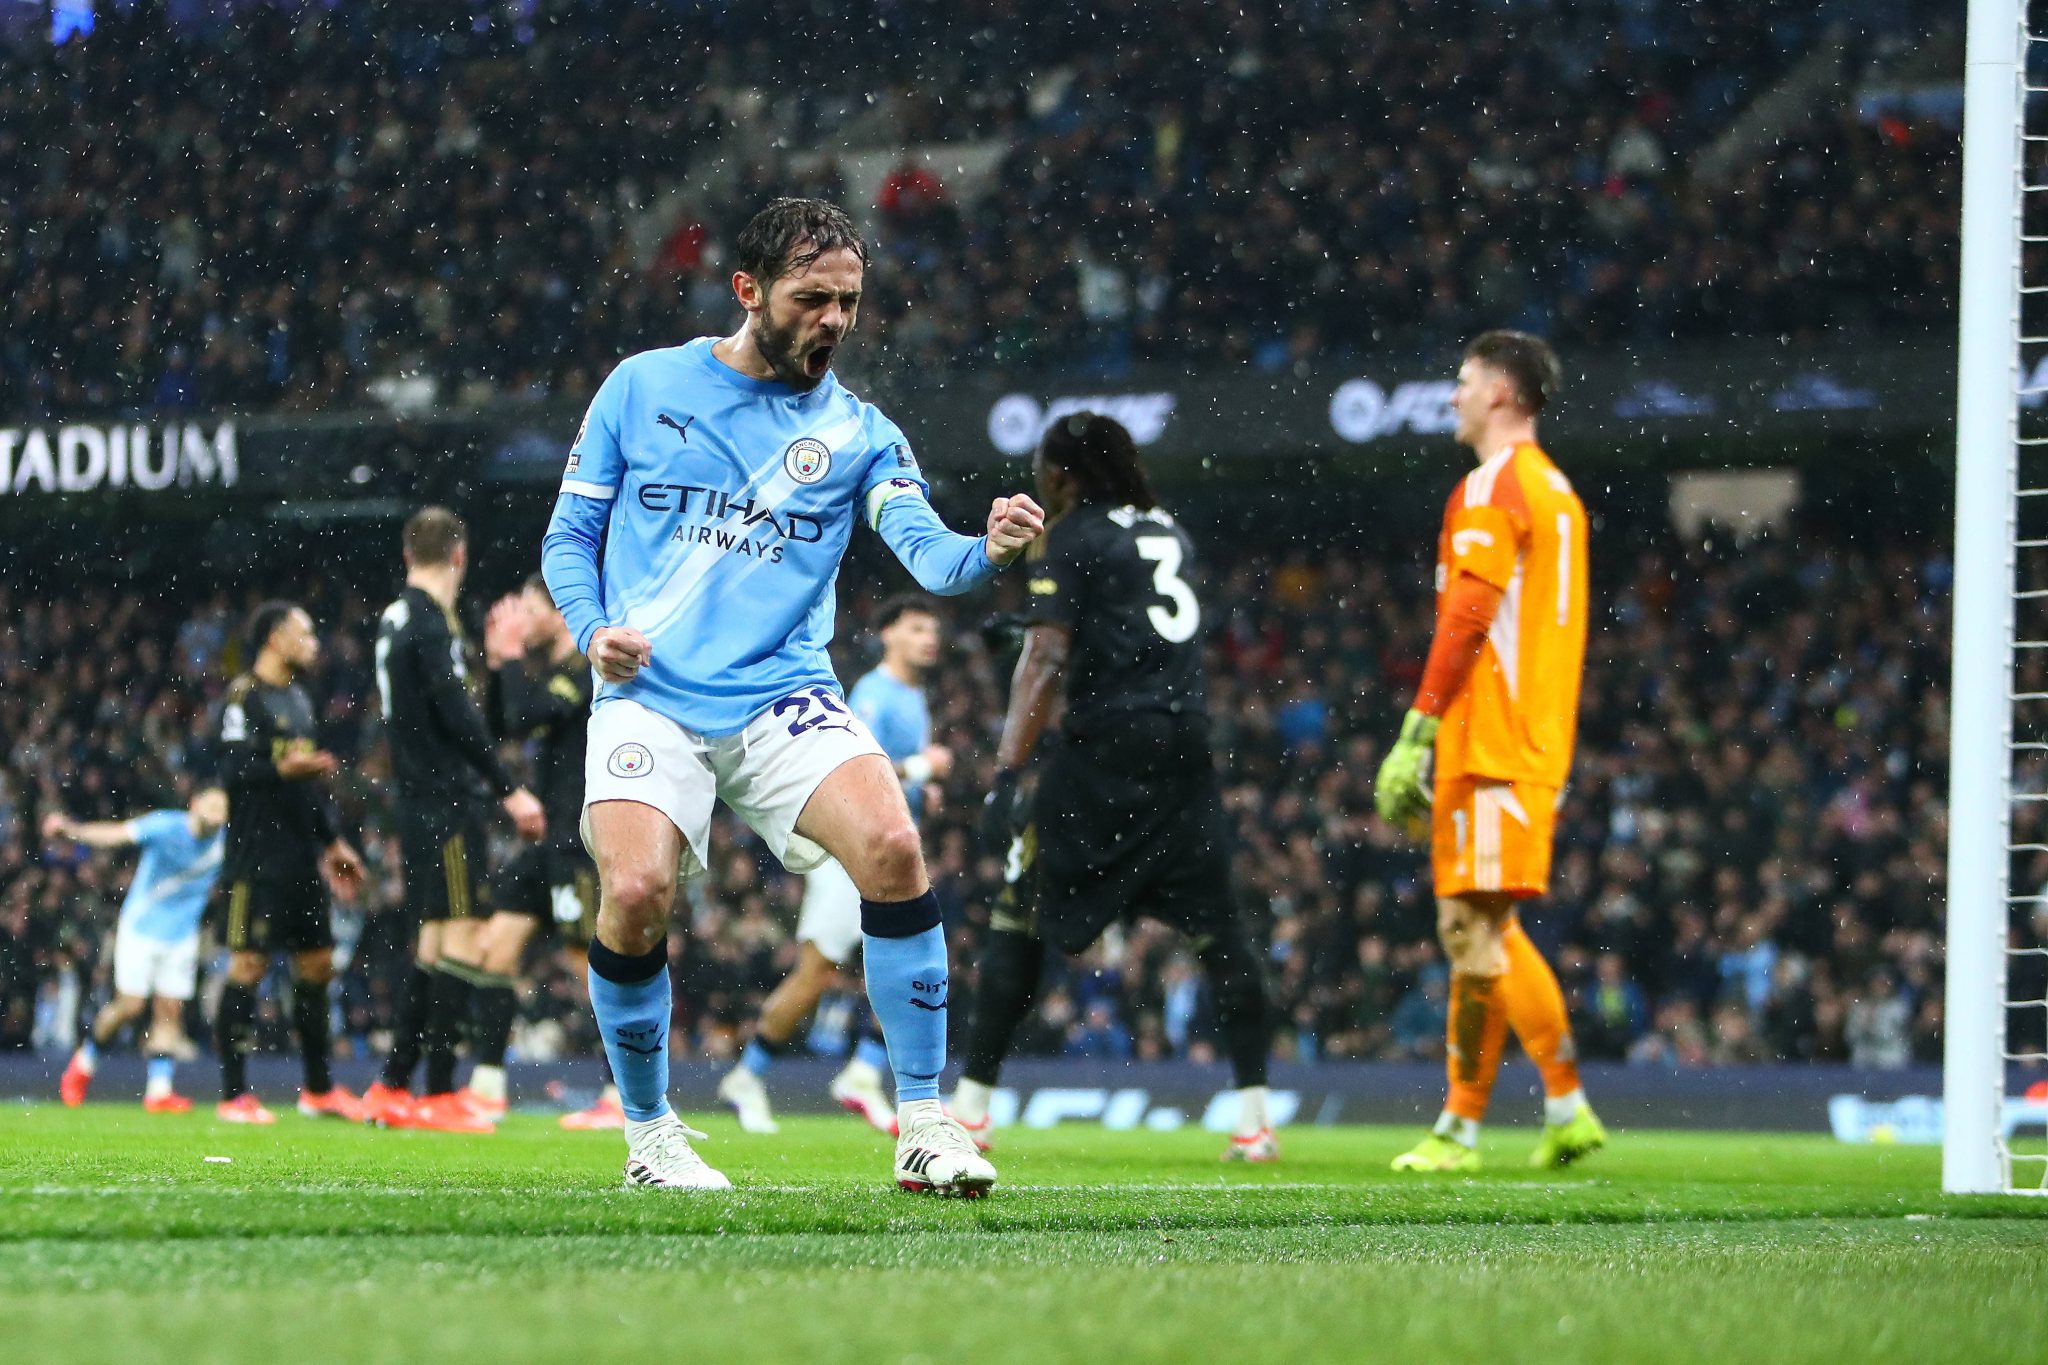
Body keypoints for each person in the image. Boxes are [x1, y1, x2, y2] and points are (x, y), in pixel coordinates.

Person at [541, 197, 1042, 1193]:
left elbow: (930, 561)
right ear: (747, 292)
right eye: (811, 299)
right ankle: (651, 1137)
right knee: (633, 895)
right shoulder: (641, 388)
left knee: (896, 850)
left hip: (781, 693)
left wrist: (986, 549)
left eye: (848, 304)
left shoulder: (860, 434)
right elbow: (568, 540)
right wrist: (593, 631)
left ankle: (924, 1122)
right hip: (650, 695)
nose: (833, 322)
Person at [951, 412, 1278, 1162]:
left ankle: (971, 1108)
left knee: (1019, 910)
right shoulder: (1170, 529)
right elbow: (1144, 626)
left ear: (1063, 473)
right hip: (1186, 743)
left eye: (1045, 470)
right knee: (1221, 933)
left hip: (1107, 747)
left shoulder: (1071, 535)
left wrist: (1005, 771)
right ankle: (1255, 1117)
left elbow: (1045, 657)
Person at [1374, 330, 1607, 1172]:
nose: (1454, 395)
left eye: (1465, 380)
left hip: (1494, 737)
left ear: (1503, 393)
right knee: (1471, 923)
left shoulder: (1496, 483)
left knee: (1481, 928)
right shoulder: (1557, 492)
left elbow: (1470, 615)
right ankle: (1514, 1117)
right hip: (1526, 734)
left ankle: (1497, 1120)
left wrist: (1419, 728)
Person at [717, 595, 955, 1137]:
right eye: (916, 628)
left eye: (933, 630)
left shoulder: (913, 696)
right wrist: (919, 766)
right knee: (822, 971)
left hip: (877, 854)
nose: (929, 639)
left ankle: (862, 1071)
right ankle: (754, 1075)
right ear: (888, 633)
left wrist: (922, 790)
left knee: (905, 955)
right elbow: (849, 772)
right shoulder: (874, 693)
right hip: (848, 852)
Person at [361, 507, 547, 1134]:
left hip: (415, 801)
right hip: (445, 803)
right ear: (460, 555)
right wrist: (509, 790)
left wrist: (494, 667)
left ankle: (392, 1085)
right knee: (461, 939)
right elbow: (458, 719)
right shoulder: (430, 624)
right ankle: (439, 1095)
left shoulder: (395, 618)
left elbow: (468, 716)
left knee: (434, 942)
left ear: (407, 553)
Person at [211, 602, 368, 1124]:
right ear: (276, 638)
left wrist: (333, 844)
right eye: (306, 633)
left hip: (301, 860)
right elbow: (232, 770)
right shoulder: (243, 697)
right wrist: (283, 766)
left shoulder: (300, 700)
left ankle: (318, 1091)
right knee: (248, 967)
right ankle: (234, 1096)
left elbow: (308, 791)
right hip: (255, 859)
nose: (314, 642)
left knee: (318, 964)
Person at [480, 573, 622, 1131]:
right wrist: (497, 665)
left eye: (528, 607)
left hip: (578, 842)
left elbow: (521, 717)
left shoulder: (585, 673)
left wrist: (510, 656)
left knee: (590, 968)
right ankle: (486, 1086)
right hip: (542, 844)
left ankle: (622, 1096)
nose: (518, 617)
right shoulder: (546, 675)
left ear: (560, 612)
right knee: (495, 951)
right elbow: (499, 723)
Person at [50, 788, 228, 1113]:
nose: (217, 813)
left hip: (182, 936)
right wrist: (72, 831)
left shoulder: (224, 842)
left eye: (222, 808)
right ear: (194, 806)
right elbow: (117, 834)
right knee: (130, 1006)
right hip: (141, 929)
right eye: (211, 805)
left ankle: (159, 1091)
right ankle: (83, 1062)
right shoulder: (165, 826)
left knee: (170, 1009)